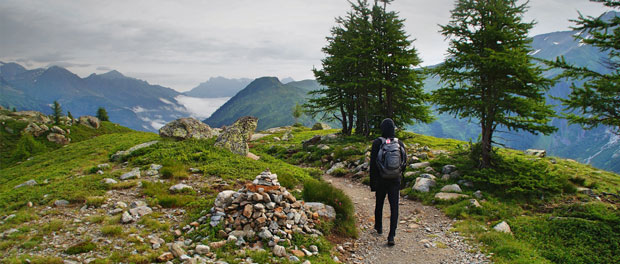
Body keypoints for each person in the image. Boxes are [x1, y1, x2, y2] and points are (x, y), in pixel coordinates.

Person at [369, 118, 407, 246]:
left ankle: (378, 227)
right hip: (395, 180)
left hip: (381, 179)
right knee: (394, 207)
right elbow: (404, 162)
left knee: (379, 203)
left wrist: (373, 183)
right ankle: (391, 236)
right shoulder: (399, 143)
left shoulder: (377, 143)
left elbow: (373, 165)